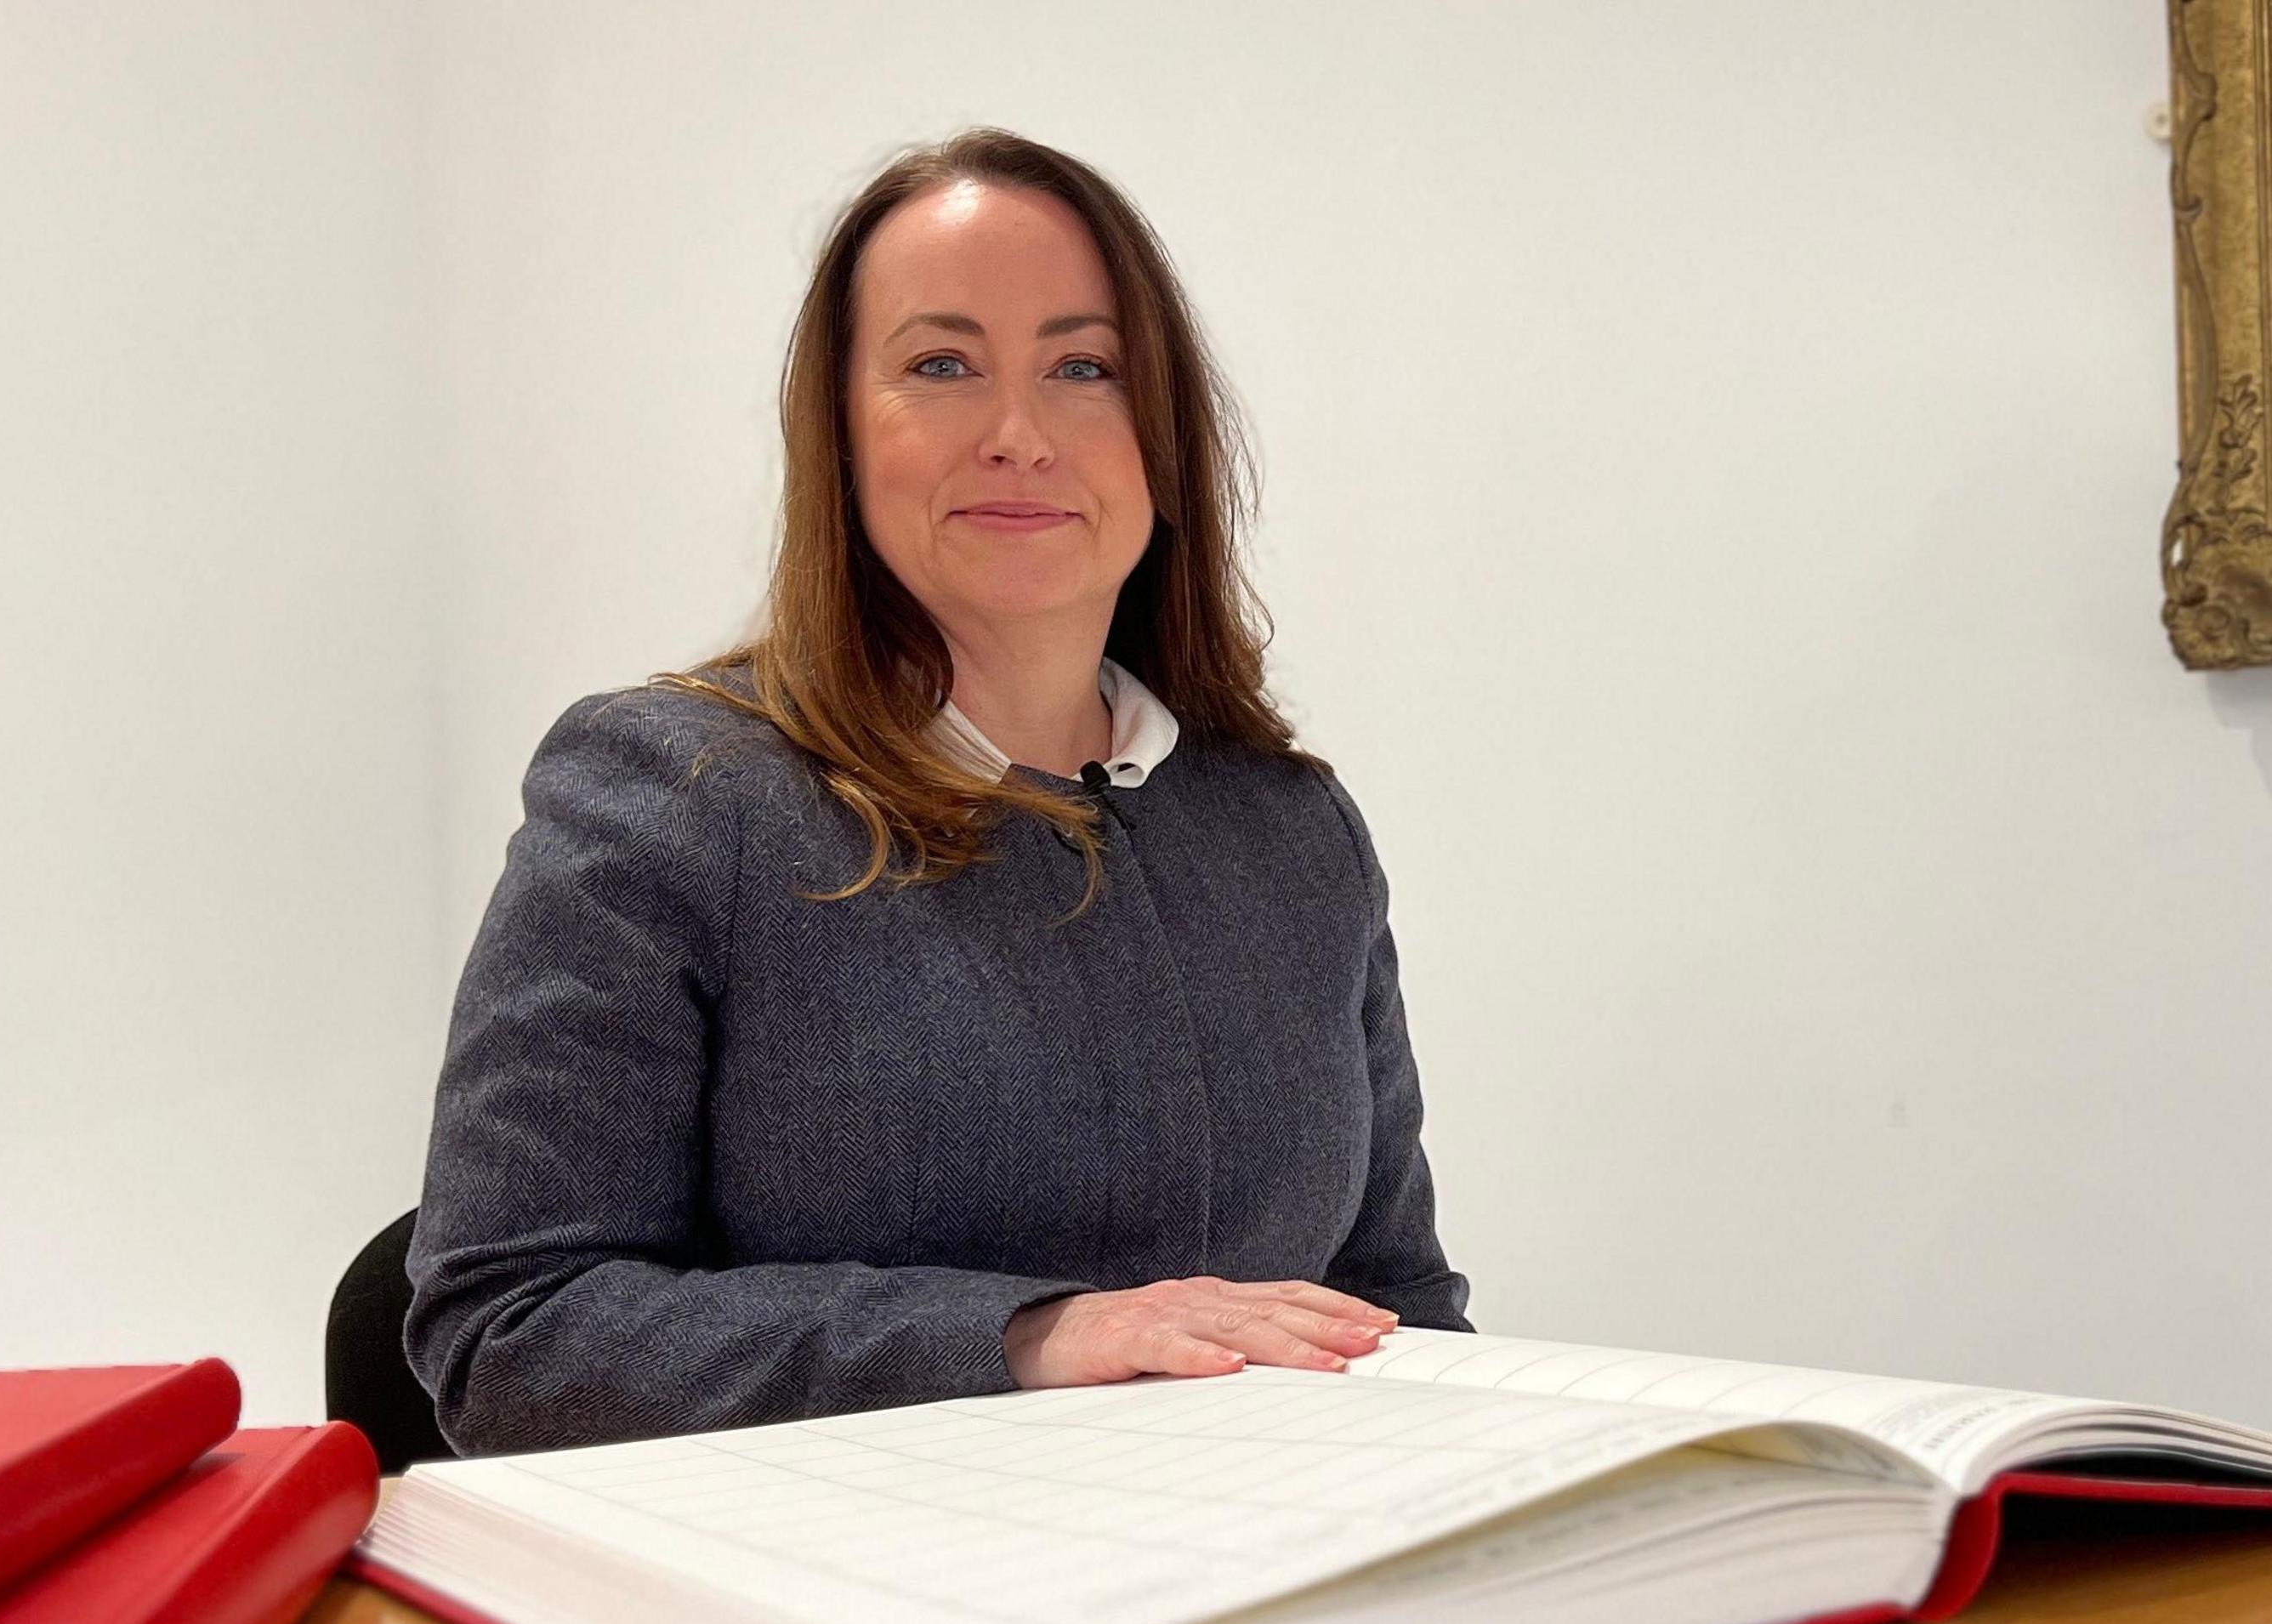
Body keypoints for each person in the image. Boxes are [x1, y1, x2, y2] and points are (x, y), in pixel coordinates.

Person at [404, 128, 1471, 1457]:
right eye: (941, 366)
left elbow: (1396, 1308)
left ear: (1165, 440)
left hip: (1260, 1559)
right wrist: (1025, 1335)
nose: (1019, 436)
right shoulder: (672, 796)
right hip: (839, 1566)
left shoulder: (1293, 834)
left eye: (1084, 368)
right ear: (841, 434)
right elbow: (514, 1334)